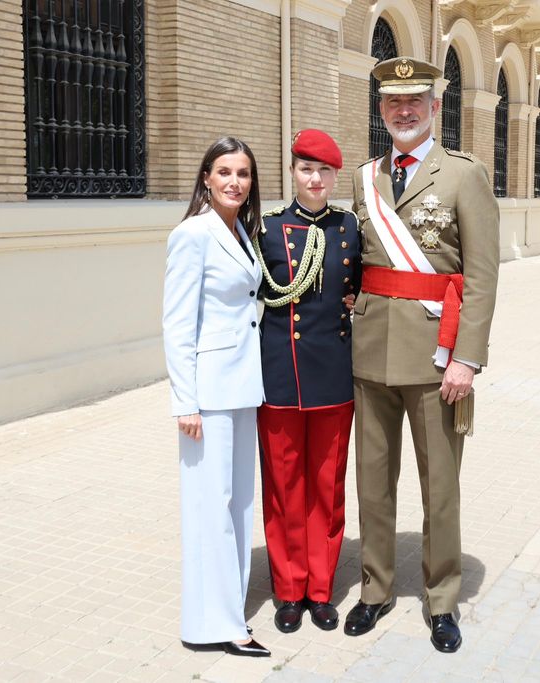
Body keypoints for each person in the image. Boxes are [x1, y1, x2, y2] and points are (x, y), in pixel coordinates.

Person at [343, 57, 500, 653]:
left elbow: (482, 278)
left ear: (434, 106)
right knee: (373, 483)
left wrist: (468, 358)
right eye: (392, 103)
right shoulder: (364, 179)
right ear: (382, 111)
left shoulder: (463, 175)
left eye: (414, 101)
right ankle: (376, 588)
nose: (403, 111)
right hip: (370, 353)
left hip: (438, 359)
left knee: (440, 487)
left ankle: (441, 600)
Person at [162, 136, 270, 658]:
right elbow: (177, 324)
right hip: (207, 393)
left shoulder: (242, 232)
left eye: (243, 173)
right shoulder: (192, 234)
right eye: (224, 171)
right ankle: (220, 626)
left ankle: (225, 611)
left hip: (243, 385)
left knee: (238, 504)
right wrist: (185, 402)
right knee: (210, 507)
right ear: (206, 177)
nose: (234, 182)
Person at [252, 129, 362, 634]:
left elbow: (363, 288)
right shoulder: (266, 228)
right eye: (306, 169)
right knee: (282, 488)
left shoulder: (350, 228)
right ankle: (289, 589)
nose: (315, 179)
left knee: (326, 487)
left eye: (324, 171)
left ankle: (321, 589)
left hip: (334, 375)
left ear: (335, 176)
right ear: (292, 172)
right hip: (279, 376)